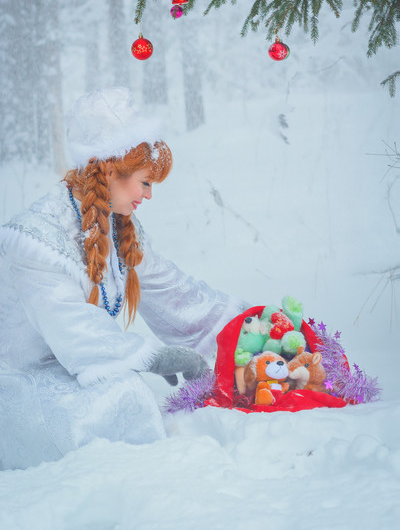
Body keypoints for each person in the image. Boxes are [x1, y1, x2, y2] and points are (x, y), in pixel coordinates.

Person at [0, 87, 247, 470]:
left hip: (75, 369)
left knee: (127, 394)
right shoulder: (36, 239)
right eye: (145, 183)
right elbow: (72, 327)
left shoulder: (118, 228)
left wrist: (245, 324)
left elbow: (174, 293)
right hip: (19, 383)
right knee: (122, 399)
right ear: (111, 171)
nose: (148, 196)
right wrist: (151, 356)